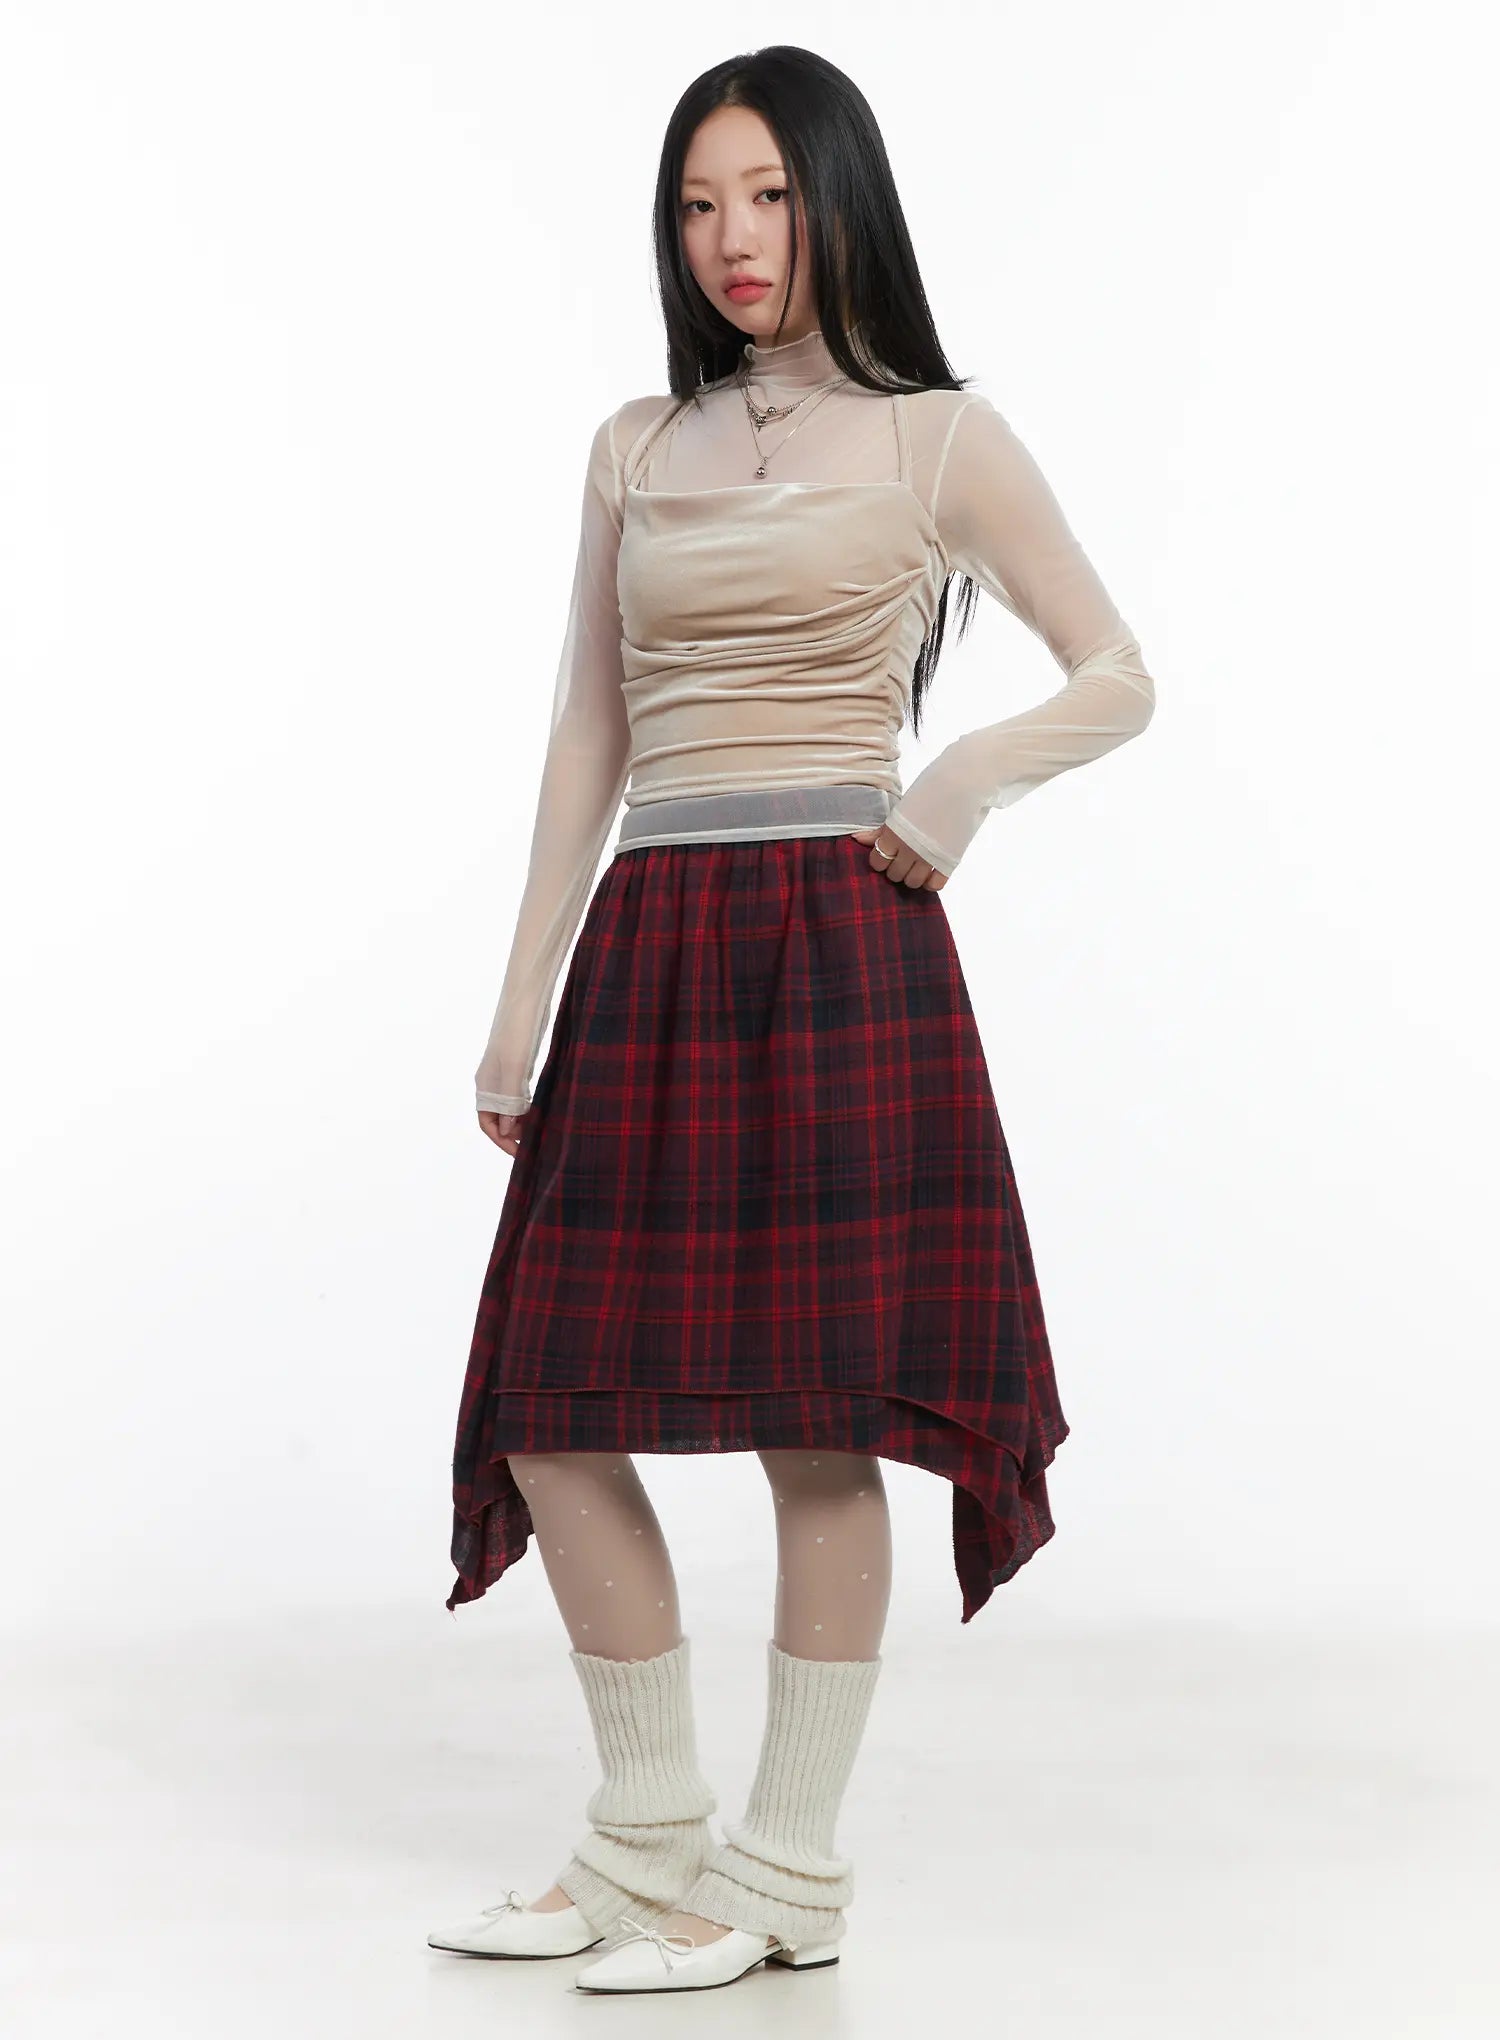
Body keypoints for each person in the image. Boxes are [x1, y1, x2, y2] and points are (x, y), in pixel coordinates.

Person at [428, 44, 1156, 1995]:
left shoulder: (940, 437)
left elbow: (1117, 672)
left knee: (814, 1426)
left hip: (844, 934)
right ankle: (646, 1835)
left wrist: (958, 784)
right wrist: (518, 1001)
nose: (732, 238)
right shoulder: (632, 447)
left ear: (839, 194)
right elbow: (587, 734)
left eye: (766, 193)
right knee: (549, 1407)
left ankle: (787, 1877)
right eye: (697, 203)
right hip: (655, 936)